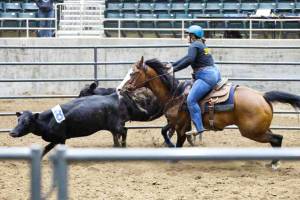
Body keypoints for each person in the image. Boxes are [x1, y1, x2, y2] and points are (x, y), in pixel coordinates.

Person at [168, 25, 221, 136]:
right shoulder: (201, 45)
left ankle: (199, 127)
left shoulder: (194, 45)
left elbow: (189, 60)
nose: (187, 36)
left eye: (189, 34)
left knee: (191, 100)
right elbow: (187, 58)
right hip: (214, 73)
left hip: (205, 76)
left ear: (193, 36)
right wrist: (172, 65)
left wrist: (174, 69)